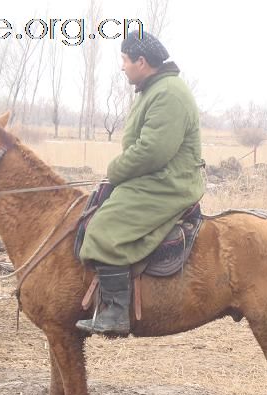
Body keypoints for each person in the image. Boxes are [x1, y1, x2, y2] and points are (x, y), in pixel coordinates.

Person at [76, 31, 205, 336]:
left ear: (141, 61)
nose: (122, 67)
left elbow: (153, 151)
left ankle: (117, 313)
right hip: (154, 179)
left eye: (124, 59)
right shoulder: (155, 89)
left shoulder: (168, 93)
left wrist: (115, 170)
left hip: (167, 183)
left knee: (104, 227)